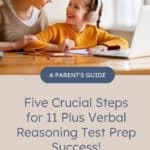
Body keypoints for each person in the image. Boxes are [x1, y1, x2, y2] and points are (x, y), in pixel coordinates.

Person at [24, 0, 128, 52]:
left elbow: (123, 41)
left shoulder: (95, 32)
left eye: (76, 7)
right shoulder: (56, 29)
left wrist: (103, 46)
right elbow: (29, 44)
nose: (69, 9)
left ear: (89, 16)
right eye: (69, 4)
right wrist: (57, 47)